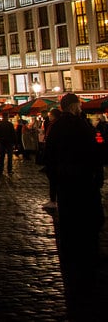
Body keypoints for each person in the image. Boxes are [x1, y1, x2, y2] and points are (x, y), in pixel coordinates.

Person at [43, 92, 105, 298]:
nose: (80, 108)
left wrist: (55, 177)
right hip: (84, 182)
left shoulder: (57, 127)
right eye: (78, 105)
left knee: (69, 221)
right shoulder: (81, 125)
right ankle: (89, 259)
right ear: (73, 106)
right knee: (88, 221)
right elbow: (94, 152)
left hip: (65, 182)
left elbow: (48, 156)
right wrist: (97, 175)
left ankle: (71, 257)